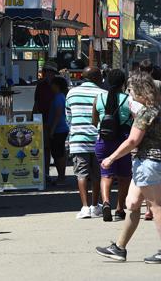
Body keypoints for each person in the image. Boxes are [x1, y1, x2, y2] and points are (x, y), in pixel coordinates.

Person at [95, 73, 161, 264]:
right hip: (155, 160)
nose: (129, 94)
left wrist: (111, 157)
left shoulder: (146, 112)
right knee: (132, 204)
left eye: (131, 91)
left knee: (156, 206)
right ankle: (119, 248)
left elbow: (133, 140)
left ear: (140, 91)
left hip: (148, 162)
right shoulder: (158, 109)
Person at [66, 66, 106, 219]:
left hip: (78, 140)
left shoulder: (72, 93)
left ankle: (84, 207)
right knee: (97, 175)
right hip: (98, 139)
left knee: (81, 174)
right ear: (98, 78)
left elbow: (68, 117)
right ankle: (95, 206)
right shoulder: (103, 93)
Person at [92, 69, 132, 222]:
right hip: (123, 141)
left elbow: (94, 122)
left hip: (103, 140)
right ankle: (120, 208)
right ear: (124, 83)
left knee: (106, 174)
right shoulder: (128, 100)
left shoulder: (99, 98)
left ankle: (106, 202)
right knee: (124, 176)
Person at [32, 61, 59, 179]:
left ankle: (52, 173)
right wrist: (33, 118)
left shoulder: (57, 85)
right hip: (41, 119)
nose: (48, 74)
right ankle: (43, 172)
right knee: (43, 147)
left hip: (55, 120)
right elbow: (36, 102)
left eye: (50, 72)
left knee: (54, 148)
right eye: (46, 72)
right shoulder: (40, 85)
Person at [49, 76, 70, 185]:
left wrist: (52, 130)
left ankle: (61, 178)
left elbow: (57, 115)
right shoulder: (61, 96)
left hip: (59, 129)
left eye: (52, 84)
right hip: (61, 128)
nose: (50, 86)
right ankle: (61, 177)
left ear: (56, 86)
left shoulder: (58, 97)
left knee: (58, 154)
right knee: (60, 152)